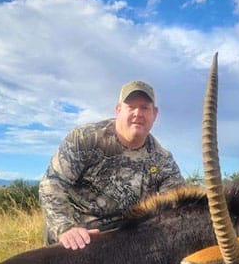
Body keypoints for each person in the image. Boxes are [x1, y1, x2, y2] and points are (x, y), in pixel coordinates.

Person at [39, 80, 185, 250]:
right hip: (77, 239)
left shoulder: (163, 160)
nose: (138, 113)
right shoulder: (85, 139)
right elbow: (51, 184)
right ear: (118, 110)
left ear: (155, 114)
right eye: (131, 106)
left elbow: (178, 207)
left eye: (145, 107)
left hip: (124, 245)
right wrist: (66, 228)